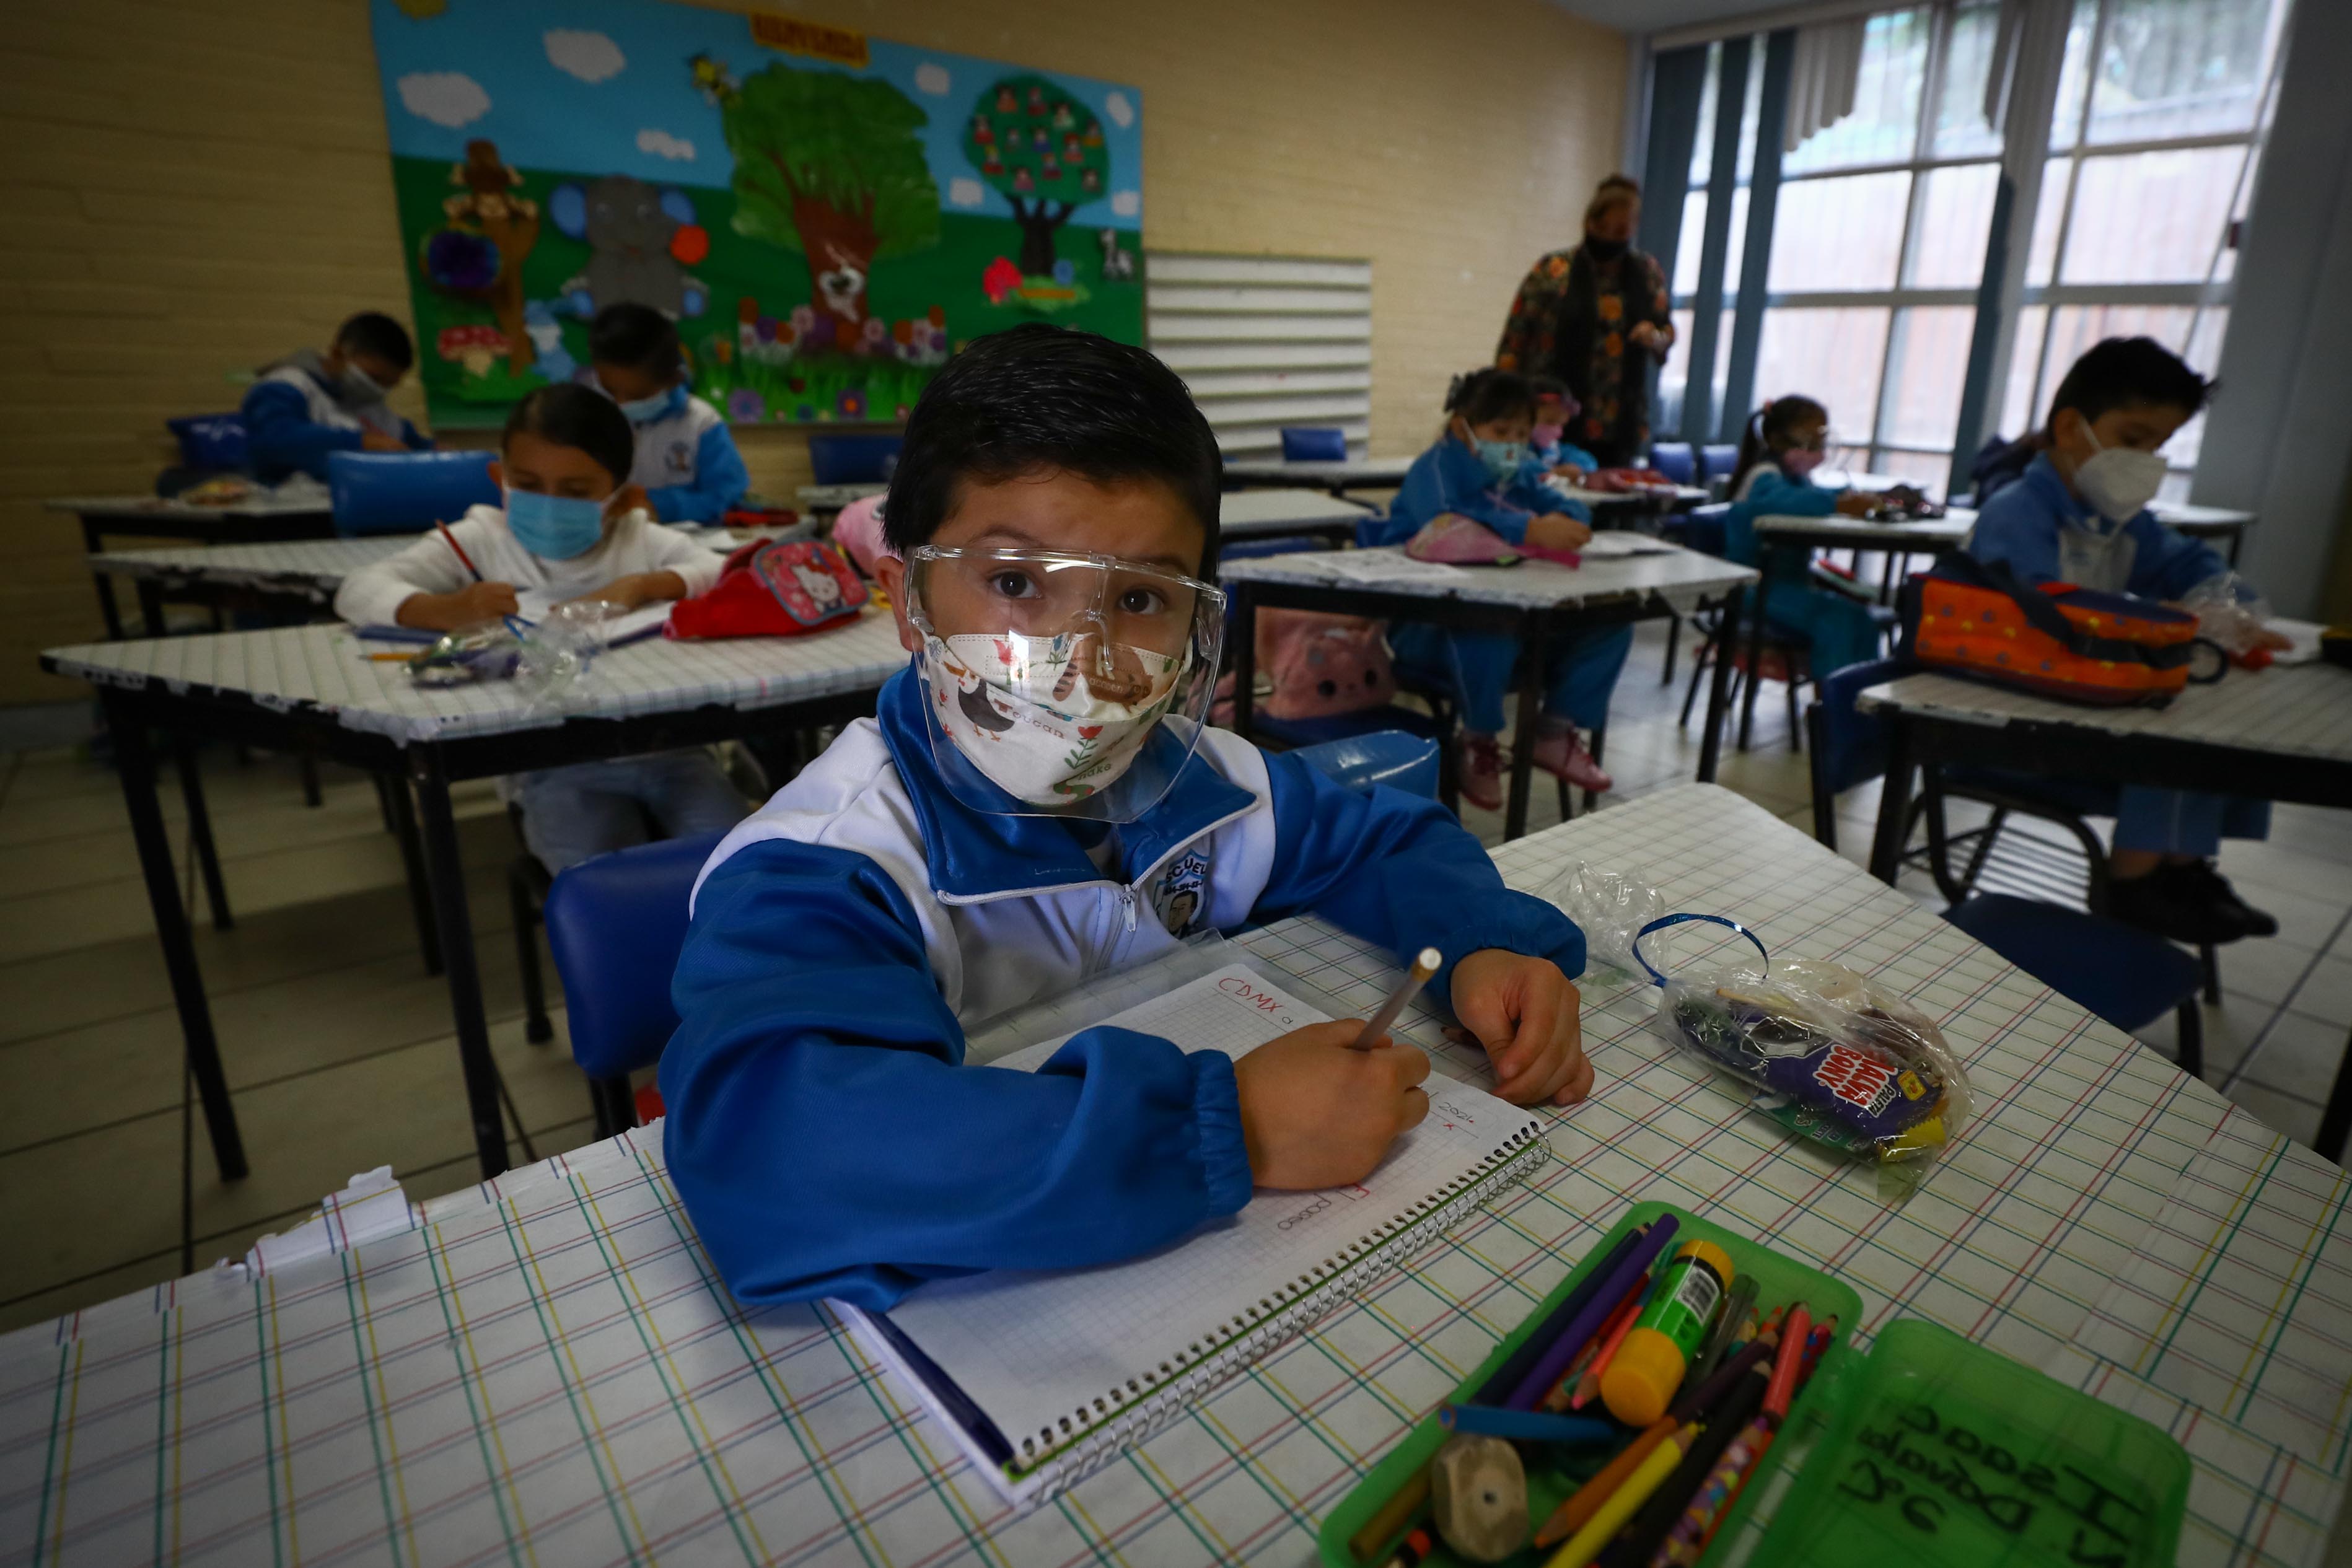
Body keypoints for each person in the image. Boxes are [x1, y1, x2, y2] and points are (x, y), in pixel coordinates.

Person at [660, 325, 1594, 1310]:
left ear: (1195, 619)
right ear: (907, 599)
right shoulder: (835, 860)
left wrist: (1482, 942)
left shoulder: (1211, 781)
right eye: (1015, 582)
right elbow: (782, 1150)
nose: (1086, 657)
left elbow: (1391, 836)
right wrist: (1228, 1125)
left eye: (1142, 596)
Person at [333, 383, 746, 874]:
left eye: (575, 493)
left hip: (672, 750)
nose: (549, 503)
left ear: (618, 498)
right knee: (605, 883)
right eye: (527, 483)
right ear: (499, 478)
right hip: (553, 763)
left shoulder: (634, 535)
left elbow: (727, 570)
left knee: (740, 866)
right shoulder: (481, 539)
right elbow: (356, 590)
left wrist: (641, 585)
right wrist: (442, 609)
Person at [1965, 336, 2288, 945]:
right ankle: (2134, 885)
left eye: (2160, 446)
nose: (2146, 460)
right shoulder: (2018, 510)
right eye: (2133, 440)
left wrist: (2233, 609)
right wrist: (2148, 618)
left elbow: (2191, 565)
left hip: (2073, 699)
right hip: (2000, 718)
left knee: (2217, 726)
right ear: (2069, 427)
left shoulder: (2118, 522)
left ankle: (2182, 869)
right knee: (2170, 732)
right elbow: (2037, 612)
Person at [1373, 369, 1629, 808]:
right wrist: (1528, 528)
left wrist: (1567, 522)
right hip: (1428, 627)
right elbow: (1443, 525)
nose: (1512, 444)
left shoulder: (1519, 471)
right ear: (1462, 428)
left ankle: (1552, 731)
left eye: (1522, 434)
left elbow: (1563, 506)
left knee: (1609, 624)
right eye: (1500, 431)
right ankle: (1478, 739)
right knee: (1487, 629)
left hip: (1514, 622)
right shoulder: (1433, 470)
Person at [1496, 176, 1677, 466]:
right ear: (1590, 222)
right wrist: (1505, 405)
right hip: (1550, 413)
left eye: (1622, 229)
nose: (1612, 237)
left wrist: (1654, 337)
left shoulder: (1647, 273)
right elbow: (1514, 341)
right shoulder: (1554, 270)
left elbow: (1666, 334)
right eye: (1605, 227)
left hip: (1619, 419)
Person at [1719, 396, 1889, 679]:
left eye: (1819, 442)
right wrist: (1840, 504)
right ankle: (1832, 712)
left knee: (1862, 620)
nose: (1815, 451)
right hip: (1752, 587)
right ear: (1775, 440)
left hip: (1790, 587)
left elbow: (1809, 496)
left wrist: (1849, 499)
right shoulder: (1763, 477)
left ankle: (1861, 707)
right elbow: (1785, 502)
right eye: (1806, 440)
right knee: (1837, 624)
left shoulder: (1798, 479)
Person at [589, 302, 751, 525]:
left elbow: (727, 499)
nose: (621, 403)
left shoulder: (701, 423)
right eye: (610, 391)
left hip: (689, 545)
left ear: (674, 379)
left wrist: (660, 505)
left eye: (637, 396)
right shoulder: (593, 417)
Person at [241, 311, 432, 483]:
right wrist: (360, 443)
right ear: (337, 354)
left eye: (388, 385)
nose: (378, 389)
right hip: (290, 512)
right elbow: (274, 440)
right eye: (373, 378)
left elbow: (407, 443)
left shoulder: (370, 403)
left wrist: (438, 452)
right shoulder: (286, 386)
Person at [1529, 376, 1600, 475]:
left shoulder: (1555, 450)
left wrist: (1576, 468)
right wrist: (1551, 472)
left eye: (1560, 426)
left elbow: (1589, 464)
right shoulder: (1517, 450)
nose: (1556, 431)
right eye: (1550, 422)